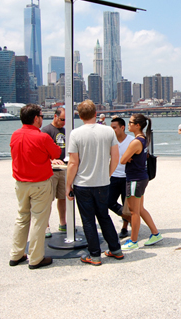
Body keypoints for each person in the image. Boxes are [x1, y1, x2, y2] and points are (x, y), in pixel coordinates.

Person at [66, 100, 123, 266]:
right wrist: (108, 174)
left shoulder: (75, 134)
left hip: (83, 183)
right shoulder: (108, 131)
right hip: (103, 182)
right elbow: (116, 157)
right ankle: (115, 249)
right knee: (104, 216)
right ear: (96, 113)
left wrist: (68, 185)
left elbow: (73, 163)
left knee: (88, 220)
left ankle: (95, 255)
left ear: (80, 115)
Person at [9, 104, 61, 269]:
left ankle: (16, 254)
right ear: (36, 118)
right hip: (39, 182)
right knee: (39, 220)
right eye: (41, 115)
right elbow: (56, 153)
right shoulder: (42, 137)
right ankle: (36, 258)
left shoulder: (14, 135)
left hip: (20, 183)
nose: (42, 118)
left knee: (22, 217)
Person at [120, 114, 162, 251]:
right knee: (140, 209)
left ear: (137, 125)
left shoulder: (135, 142)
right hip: (141, 177)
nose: (128, 124)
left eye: (130, 122)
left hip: (135, 179)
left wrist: (128, 157)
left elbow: (122, 159)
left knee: (134, 211)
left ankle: (133, 240)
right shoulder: (144, 139)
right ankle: (155, 233)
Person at [41, 107, 66, 237]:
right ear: (55, 117)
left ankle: (63, 223)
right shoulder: (46, 131)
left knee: (63, 197)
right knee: (48, 199)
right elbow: (42, 151)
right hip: (51, 170)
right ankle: (46, 226)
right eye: (62, 119)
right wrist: (52, 160)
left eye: (65, 120)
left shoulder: (65, 131)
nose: (64, 122)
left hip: (63, 169)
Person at [108, 117, 134, 238]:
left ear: (122, 128)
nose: (112, 130)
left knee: (127, 204)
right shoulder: (110, 141)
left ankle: (124, 227)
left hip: (127, 177)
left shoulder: (131, 141)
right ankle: (130, 219)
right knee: (109, 201)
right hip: (113, 176)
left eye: (114, 127)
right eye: (111, 127)